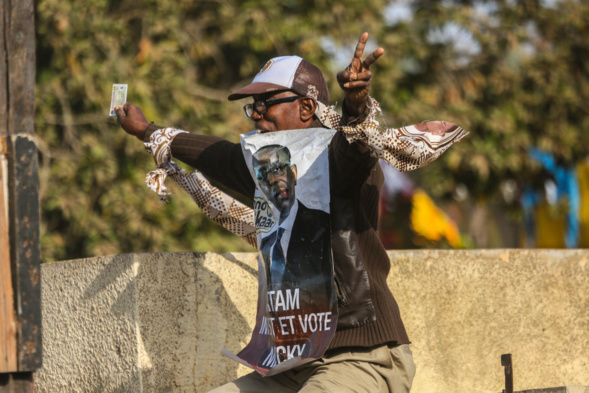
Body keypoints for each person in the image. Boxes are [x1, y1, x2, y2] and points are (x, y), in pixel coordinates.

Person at [116, 32, 461, 392]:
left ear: (306, 108)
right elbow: (215, 154)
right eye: (253, 106)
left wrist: (356, 103)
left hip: (361, 356)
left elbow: (355, 147)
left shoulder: (340, 159)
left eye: (266, 102)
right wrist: (147, 131)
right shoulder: (267, 167)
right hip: (291, 363)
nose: (257, 114)